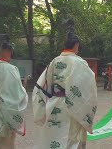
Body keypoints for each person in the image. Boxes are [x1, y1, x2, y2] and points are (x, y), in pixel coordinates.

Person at [32, 19, 97, 149]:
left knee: (54, 137)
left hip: (54, 103)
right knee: (71, 139)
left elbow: (41, 85)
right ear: (76, 45)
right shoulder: (80, 63)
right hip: (73, 107)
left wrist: (41, 109)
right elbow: (89, 88)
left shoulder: (54, 61)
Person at [0, 34, 28, 149]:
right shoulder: (12, 70)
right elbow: (17, 95)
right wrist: (24, 87)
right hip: (5, 117)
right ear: (9, 52)